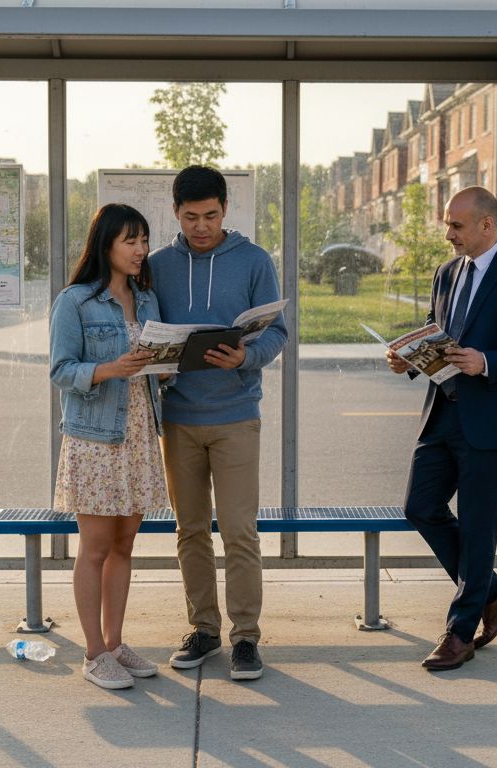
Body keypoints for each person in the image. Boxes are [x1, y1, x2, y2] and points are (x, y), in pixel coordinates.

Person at [386, 186, 497, 672]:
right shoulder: (446, 272)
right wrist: (409, 358)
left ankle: (460, 632)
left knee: (479, 526)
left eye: (456, 226)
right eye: (446, 224)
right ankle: (493, 591)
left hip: (492, 417)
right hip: (442, 410)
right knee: (420, 506)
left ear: (487, 225)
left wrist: (487, 361)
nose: (448, 234)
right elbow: (434, 326)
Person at [148, 165, 287, 681]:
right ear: (176, 213)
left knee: (239, 531)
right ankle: (203, 629)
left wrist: (245, 359)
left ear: (226, 210)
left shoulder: (253, 261)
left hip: (235, 417)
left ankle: (246, 638)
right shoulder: (159, 264)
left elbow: (278, 334)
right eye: (190, 217)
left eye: (210, 216)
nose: (200, 226)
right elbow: (147, 330)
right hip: (179, 419)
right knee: (190, 532)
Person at [50, 203, 166, 690]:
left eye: (143, 241)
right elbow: (60, 370)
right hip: (96, 438)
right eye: (130, 241)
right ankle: (94, 652)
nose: (141, 250)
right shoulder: (74, 301)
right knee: (95, 547)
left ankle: (116, 644)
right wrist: (108, 369)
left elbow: (158, 365)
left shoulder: (147, 299)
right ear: (107, 245)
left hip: (139, 433)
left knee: (124, 544)